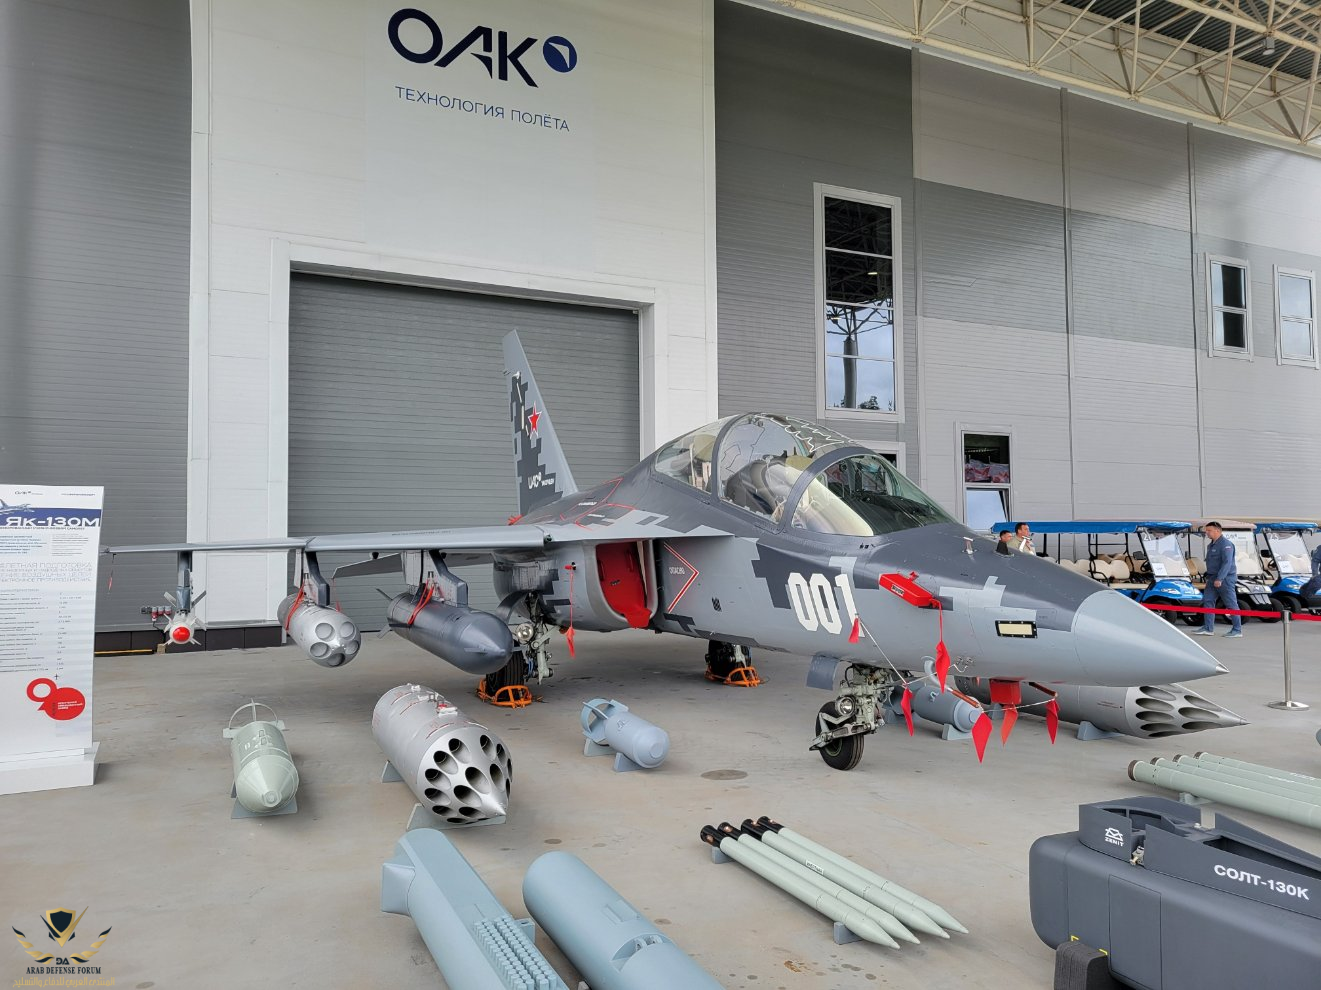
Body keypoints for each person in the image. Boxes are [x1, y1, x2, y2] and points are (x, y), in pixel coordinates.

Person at [1195, 522, 1242, 637]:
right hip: (1212, 578)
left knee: (1231, 604)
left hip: (1225, 579)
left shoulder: (1226, 545)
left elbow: (1227, 563)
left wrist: (1220, 578)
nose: (1207, 533)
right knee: (1208, 601)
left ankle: (1237, 630)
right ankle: (1208, 628)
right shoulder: (1211, 545)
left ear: (1217, 531)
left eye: (1209, 530)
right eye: (1206, 530)